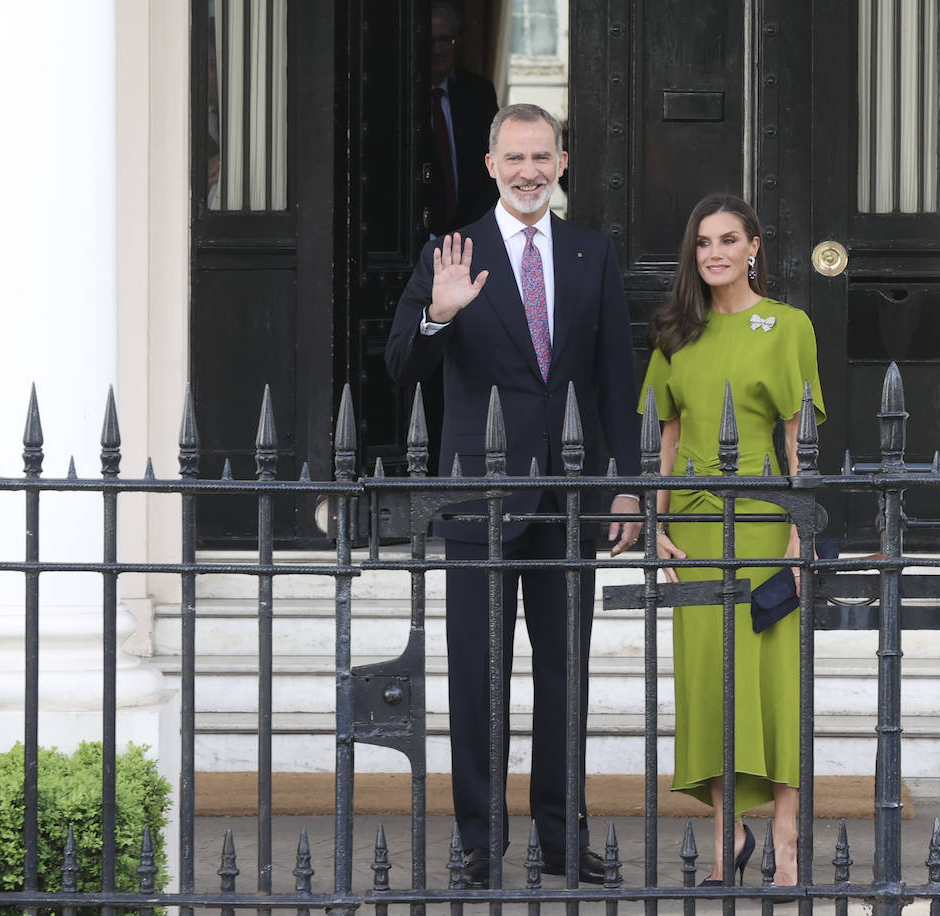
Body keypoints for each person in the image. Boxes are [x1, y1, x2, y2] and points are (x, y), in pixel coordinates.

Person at [384, 103, 642, 888]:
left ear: (562, 162)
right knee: (477, 678)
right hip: (478, 502)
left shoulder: (592, 253)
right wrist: (437, 313)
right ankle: (477, 845)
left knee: (565, 678)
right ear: (492, 166)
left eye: (543, 157)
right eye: (514, 158)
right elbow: (399, 365)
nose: (529, 171)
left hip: (569, 503)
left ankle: (563, 841)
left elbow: (613, 381)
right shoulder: (450, 250)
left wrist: (627, 490)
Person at [637, 193, 824, 888]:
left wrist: (800, 539)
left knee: (776, 683)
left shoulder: (788, 325)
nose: (713, 253)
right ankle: (727, 838)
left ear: (753, 248)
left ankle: (788, 838)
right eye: (702, 243)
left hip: (764, 519)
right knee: (709, 682)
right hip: (691, 526)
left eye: (727, 240)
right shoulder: (675, 332)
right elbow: (668, 436)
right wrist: (656, 525)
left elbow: (796, 436)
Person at [426, 0, 500, 236]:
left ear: (456, 42)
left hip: (469, 235)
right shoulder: (400, 97)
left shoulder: (479, 93)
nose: (438, 49)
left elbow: (493, 167)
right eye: (431, 40)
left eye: (445, 40)